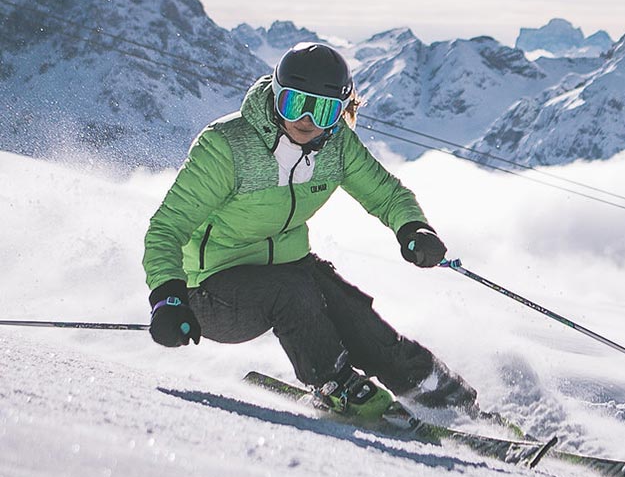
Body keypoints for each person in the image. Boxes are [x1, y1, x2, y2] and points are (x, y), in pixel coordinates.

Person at [142, 42, 477, 422]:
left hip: (288, 267)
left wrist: (413, 228)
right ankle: (332, 383)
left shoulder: (336, 147)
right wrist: (167, 298)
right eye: (293, 103)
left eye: (322, 109)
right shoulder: (226, 147)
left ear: (340, 111)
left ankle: (440, 394)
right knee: (293, 293)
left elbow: (386, 194)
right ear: (274, 96)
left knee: (355, 316)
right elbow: (167, 228)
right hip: (206, 293)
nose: (306, 119)